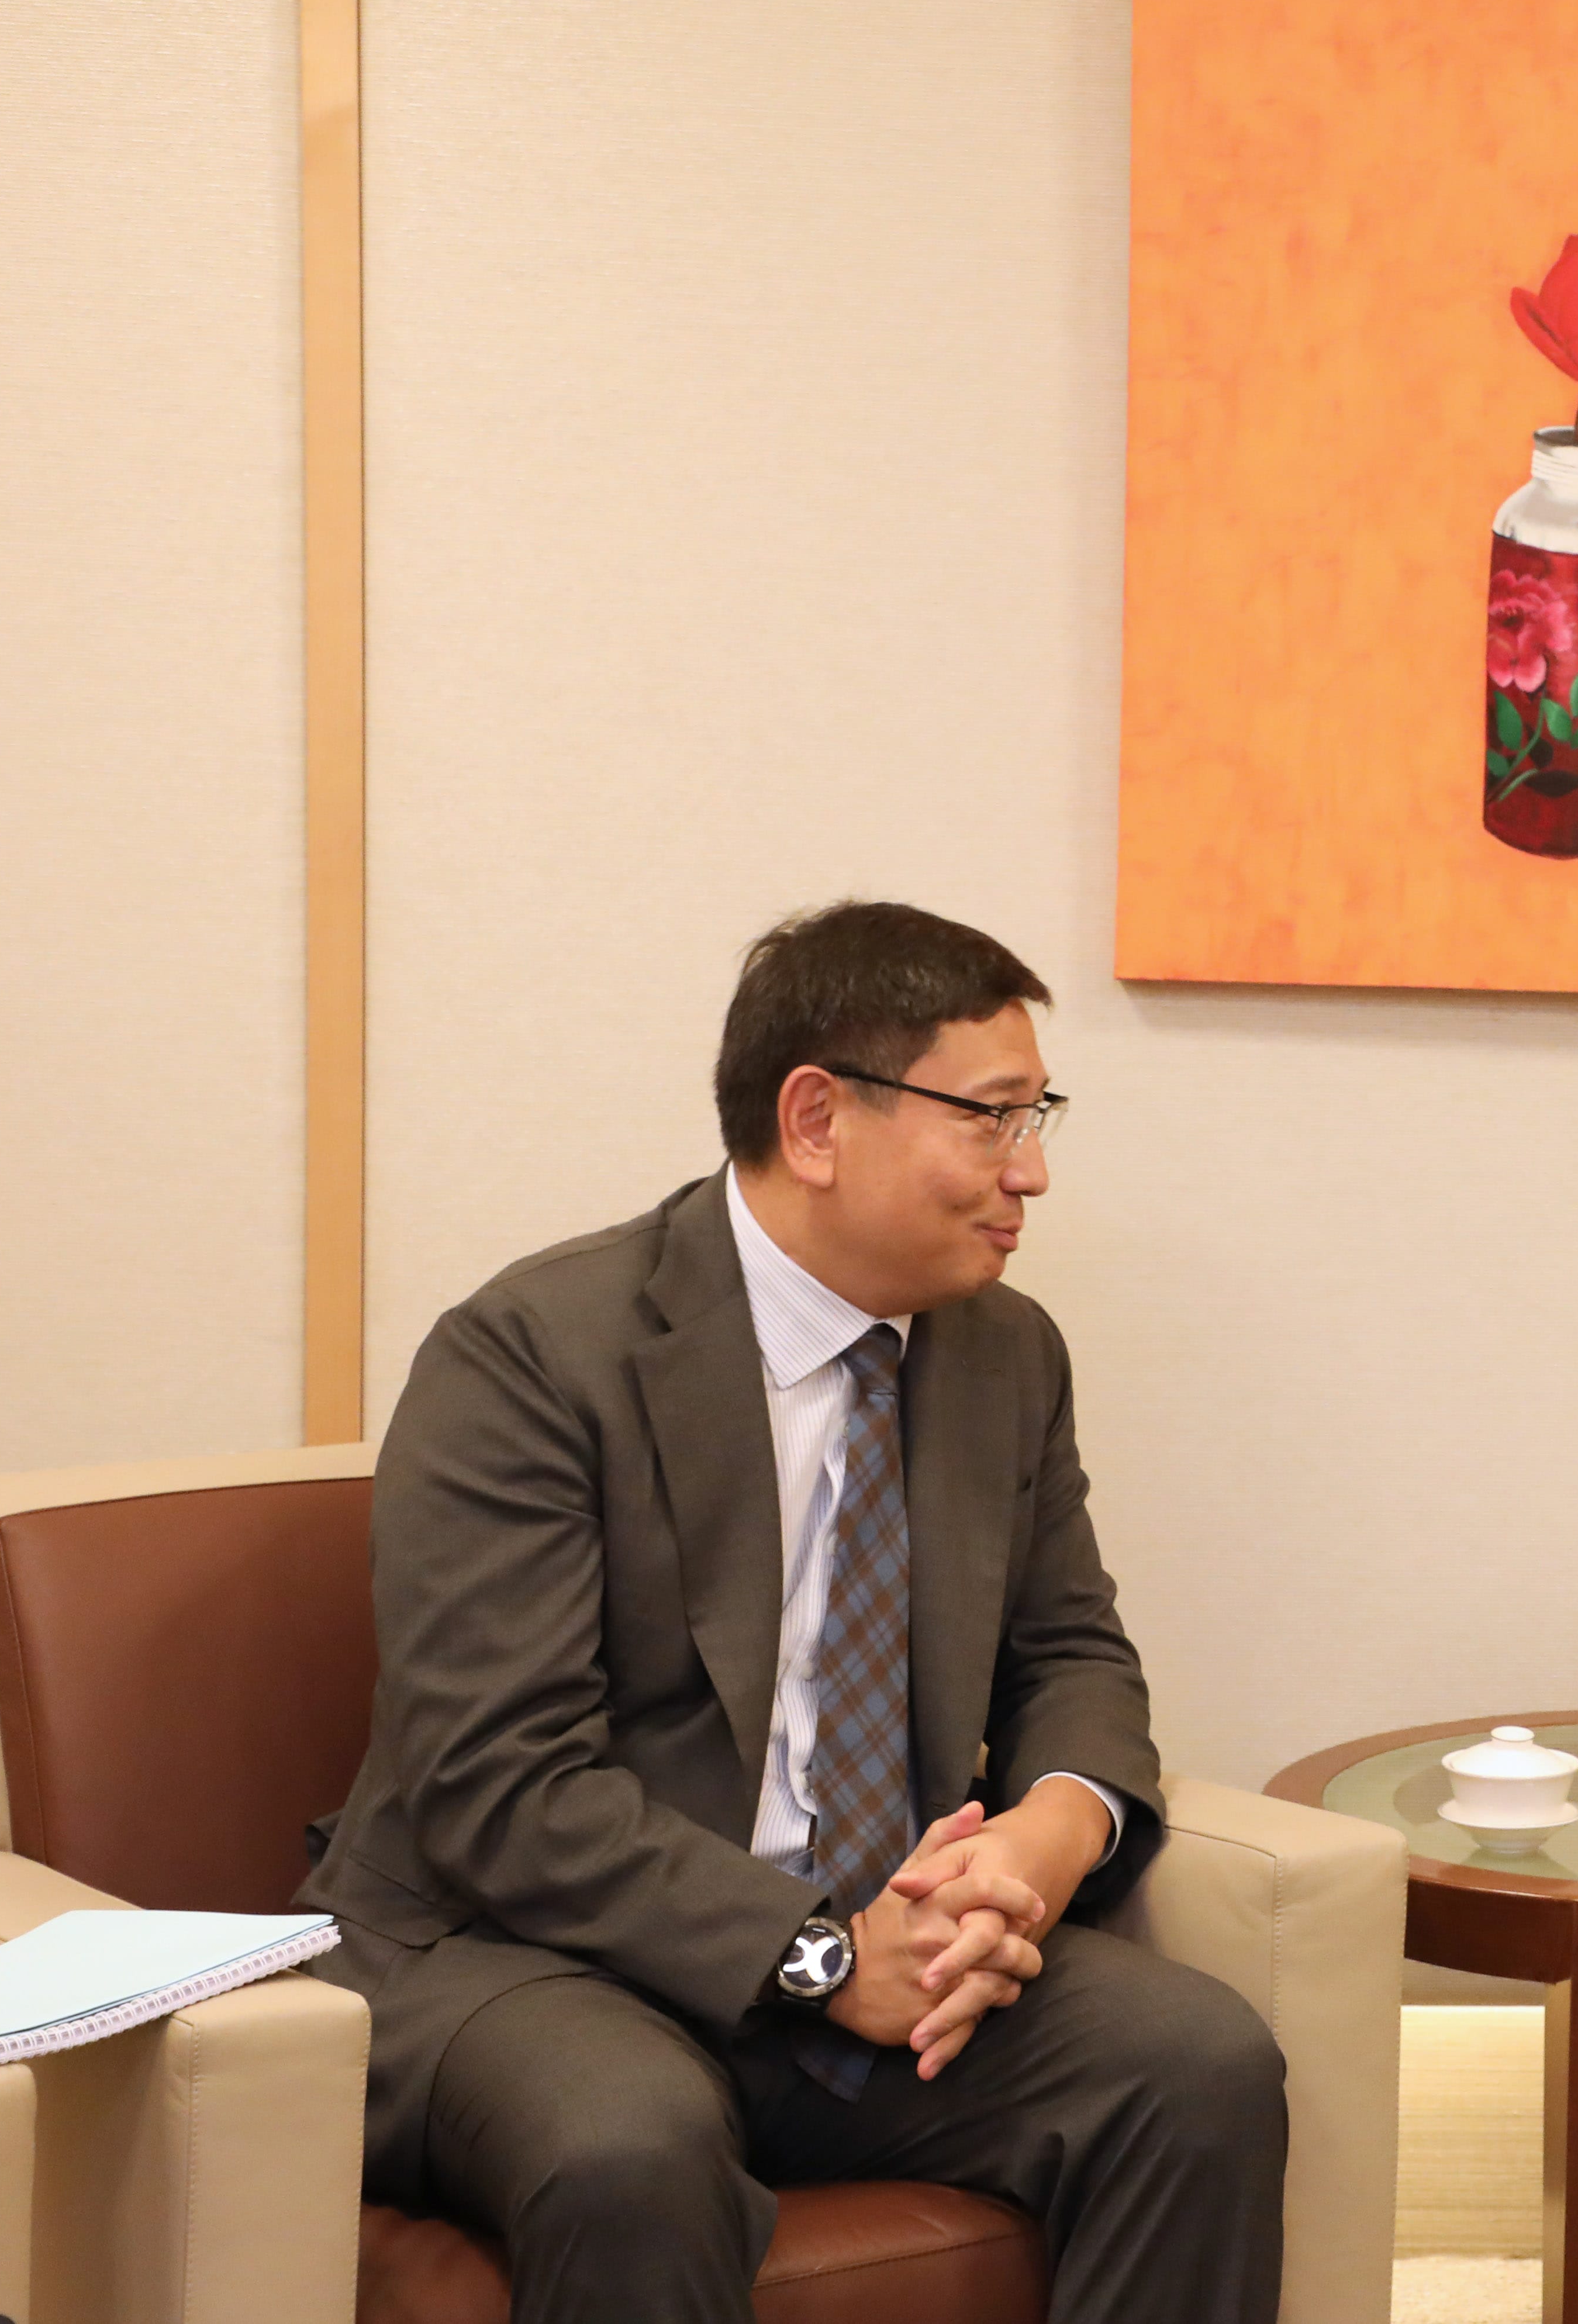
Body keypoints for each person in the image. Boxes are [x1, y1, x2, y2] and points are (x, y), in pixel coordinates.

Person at [301, 900, 1285, 2322]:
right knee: (629, 2144)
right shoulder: (532, 1353)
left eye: (1039, 1116)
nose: (1036, 1173)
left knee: (1196, 2063)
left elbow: (1068, 1650)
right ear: (817, 1119)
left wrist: (1044, 1841)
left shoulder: (1003, 1354)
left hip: (881, 1946)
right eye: (994, 1119)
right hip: (524, 1954)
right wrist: (816, 1954)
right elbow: (496, 1787)